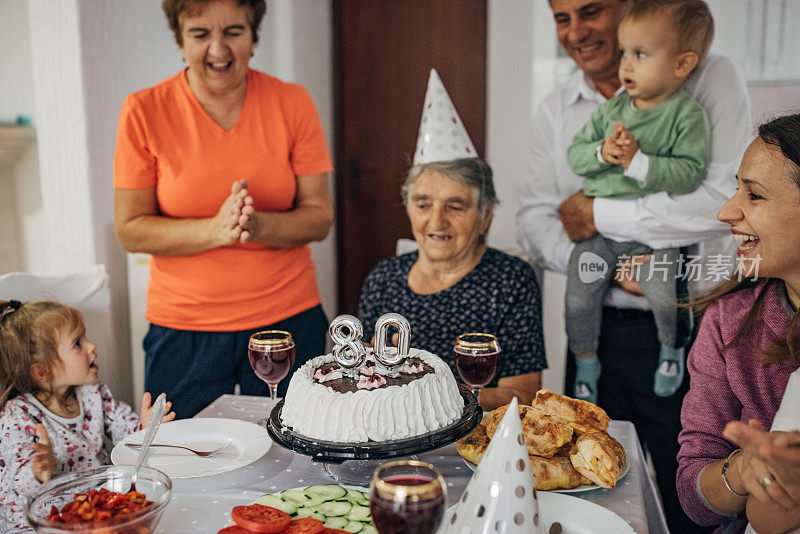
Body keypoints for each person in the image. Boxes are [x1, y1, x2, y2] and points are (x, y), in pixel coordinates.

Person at [516, 0, 749, 531]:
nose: (576, 31)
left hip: (691, 324)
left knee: (684, 481)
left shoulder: (708, 80)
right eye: (560, 18)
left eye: (590, 10)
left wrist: (598, 212)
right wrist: (598, 266)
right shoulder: (559, 108)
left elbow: (719, 200)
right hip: (596, 328)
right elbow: (535, 218)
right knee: (586, 476)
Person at [114, 0, 334, 418]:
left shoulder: (292, 102)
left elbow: (320, 215)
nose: (218, 49)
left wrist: (260, 225)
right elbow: (131, 229)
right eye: (200, 34)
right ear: (180, 39)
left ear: (253, 36)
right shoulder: (143, 110)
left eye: (233, 31)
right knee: (179, 457)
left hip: (285, 320)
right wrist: (215, 230)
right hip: (183, 328)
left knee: (290, 460)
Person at [565, 0, 712, 403]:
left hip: (656, 239)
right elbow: (575, 155)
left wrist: (637, 162)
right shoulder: (614, 110)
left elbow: (691, 172)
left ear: (682, 65)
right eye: (625, 52)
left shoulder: (687, 115)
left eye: (640, 54)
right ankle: (586, 362)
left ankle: (671, 349)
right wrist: (602, 153)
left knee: (667, 296)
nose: (625, 65)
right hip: (600, 236)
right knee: (579, 292)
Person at [677, 114, 800, 533]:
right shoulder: (728, 322)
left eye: (756, 195)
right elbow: (695, 499)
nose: (726, 212)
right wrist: (743, 469)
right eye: (736, 188)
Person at [358, 158, 547, 410]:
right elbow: (363, 376)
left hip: (475, 440)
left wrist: (429, 391)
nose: (437, 221)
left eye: (455, 206)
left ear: (485, 215)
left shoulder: (511, 280)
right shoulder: (383, 278)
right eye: (423, 205)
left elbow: (523, 397)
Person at [0, 300, 176, 531]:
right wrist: (36, 471)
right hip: (39, 526)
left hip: (98, 510)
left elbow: (127, 436)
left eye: (85, 338)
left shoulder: (95, 394)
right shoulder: (17, 416)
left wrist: (143, 427)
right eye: (77, 344)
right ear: (43, 371)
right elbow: (13, 489)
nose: (91, 346)